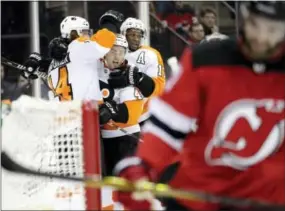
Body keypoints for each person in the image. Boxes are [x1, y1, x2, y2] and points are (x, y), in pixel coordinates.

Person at [114, 1, 285, 211]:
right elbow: (168, 124)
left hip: (268, 199)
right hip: (201, 194)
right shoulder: (206, 59)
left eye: (272, 30)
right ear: (244, 19)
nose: (261, 38)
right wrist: (145, 165)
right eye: (255, 26)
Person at [23, 11, 125, 102]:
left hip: (62, 117)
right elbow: (105, 39)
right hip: (84, 113)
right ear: (73, 33)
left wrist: (38, 63)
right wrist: (111, 23)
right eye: (84, 32)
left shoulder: (54, 62)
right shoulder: (80, 47)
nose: (88, 35)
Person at [98, 34, 144, 176]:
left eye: (121, 52)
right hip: (105, 139)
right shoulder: (96, 73)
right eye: (113, 51)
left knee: (127, 182)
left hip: (127, 139)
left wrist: (111, 110)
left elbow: (129, 115)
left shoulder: (129, 75)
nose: (117, 56)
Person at [107, 17, 166, 125]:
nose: (136, 39)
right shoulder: (112, 50)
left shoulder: (151, 54)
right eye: (132, 35)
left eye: (139, 35)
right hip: (117, 112)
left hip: (144, 114)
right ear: (124, 34)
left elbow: (159, 86)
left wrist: (139, 79)